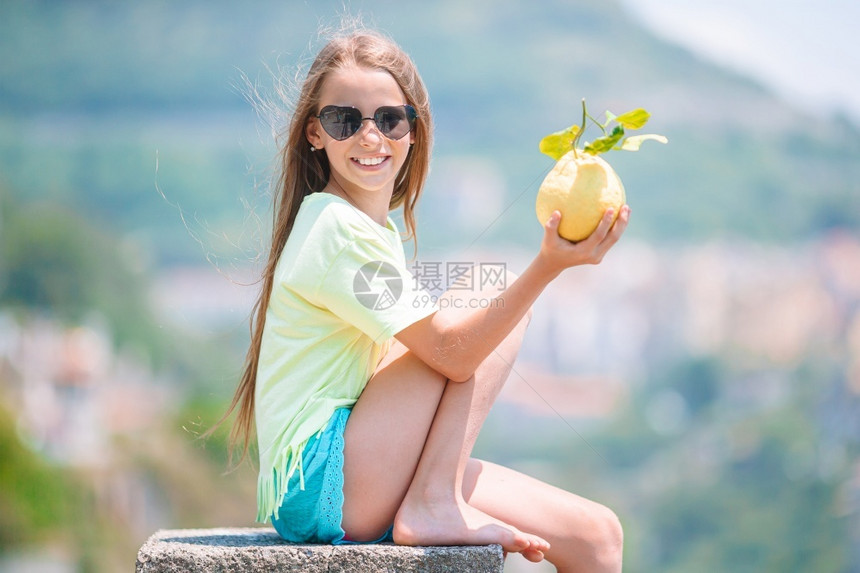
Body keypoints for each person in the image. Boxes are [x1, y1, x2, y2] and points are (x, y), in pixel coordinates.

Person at [219, 27, 628, 572]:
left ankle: (436, 494)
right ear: (315, 134)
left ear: (413, 131)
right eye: (346, 120)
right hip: (326, 484)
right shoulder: (333, 228)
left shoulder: (369, 230)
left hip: (361, 469)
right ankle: (435, 500)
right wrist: (547, 266)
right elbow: (452, 355)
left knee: (597, 536)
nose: (371, 137)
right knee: (488, 291)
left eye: (389, 119)